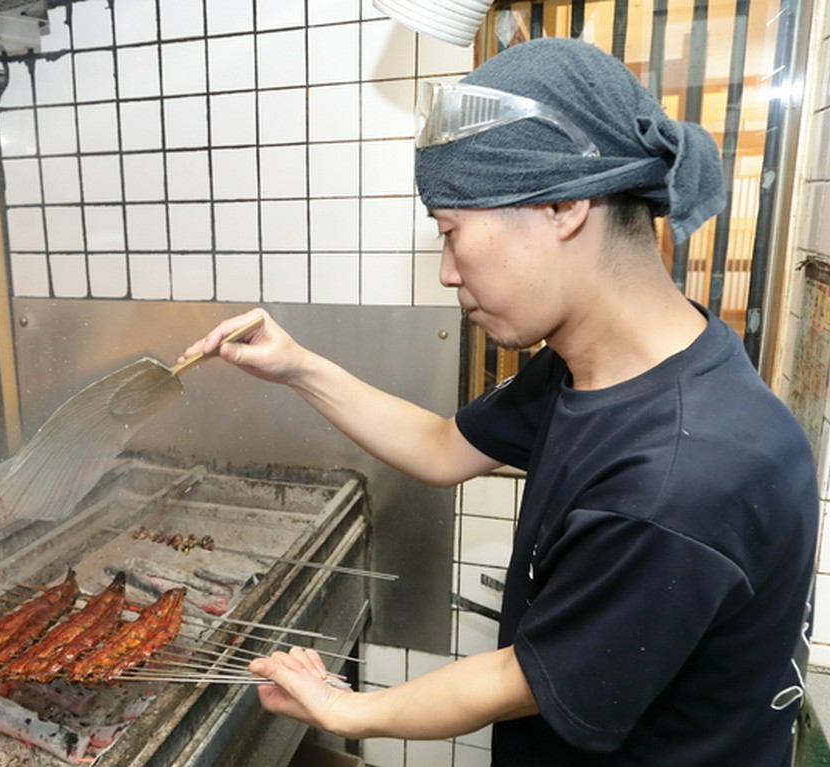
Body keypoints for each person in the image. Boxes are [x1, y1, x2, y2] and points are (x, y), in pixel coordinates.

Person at [180, 38, 818, 766]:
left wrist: (345, 708)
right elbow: (441, 447)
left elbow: (523, 676)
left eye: (452, 232)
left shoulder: (680, 478)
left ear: (564, 205)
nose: (448, 272)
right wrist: (297, 366)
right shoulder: (602, 365)